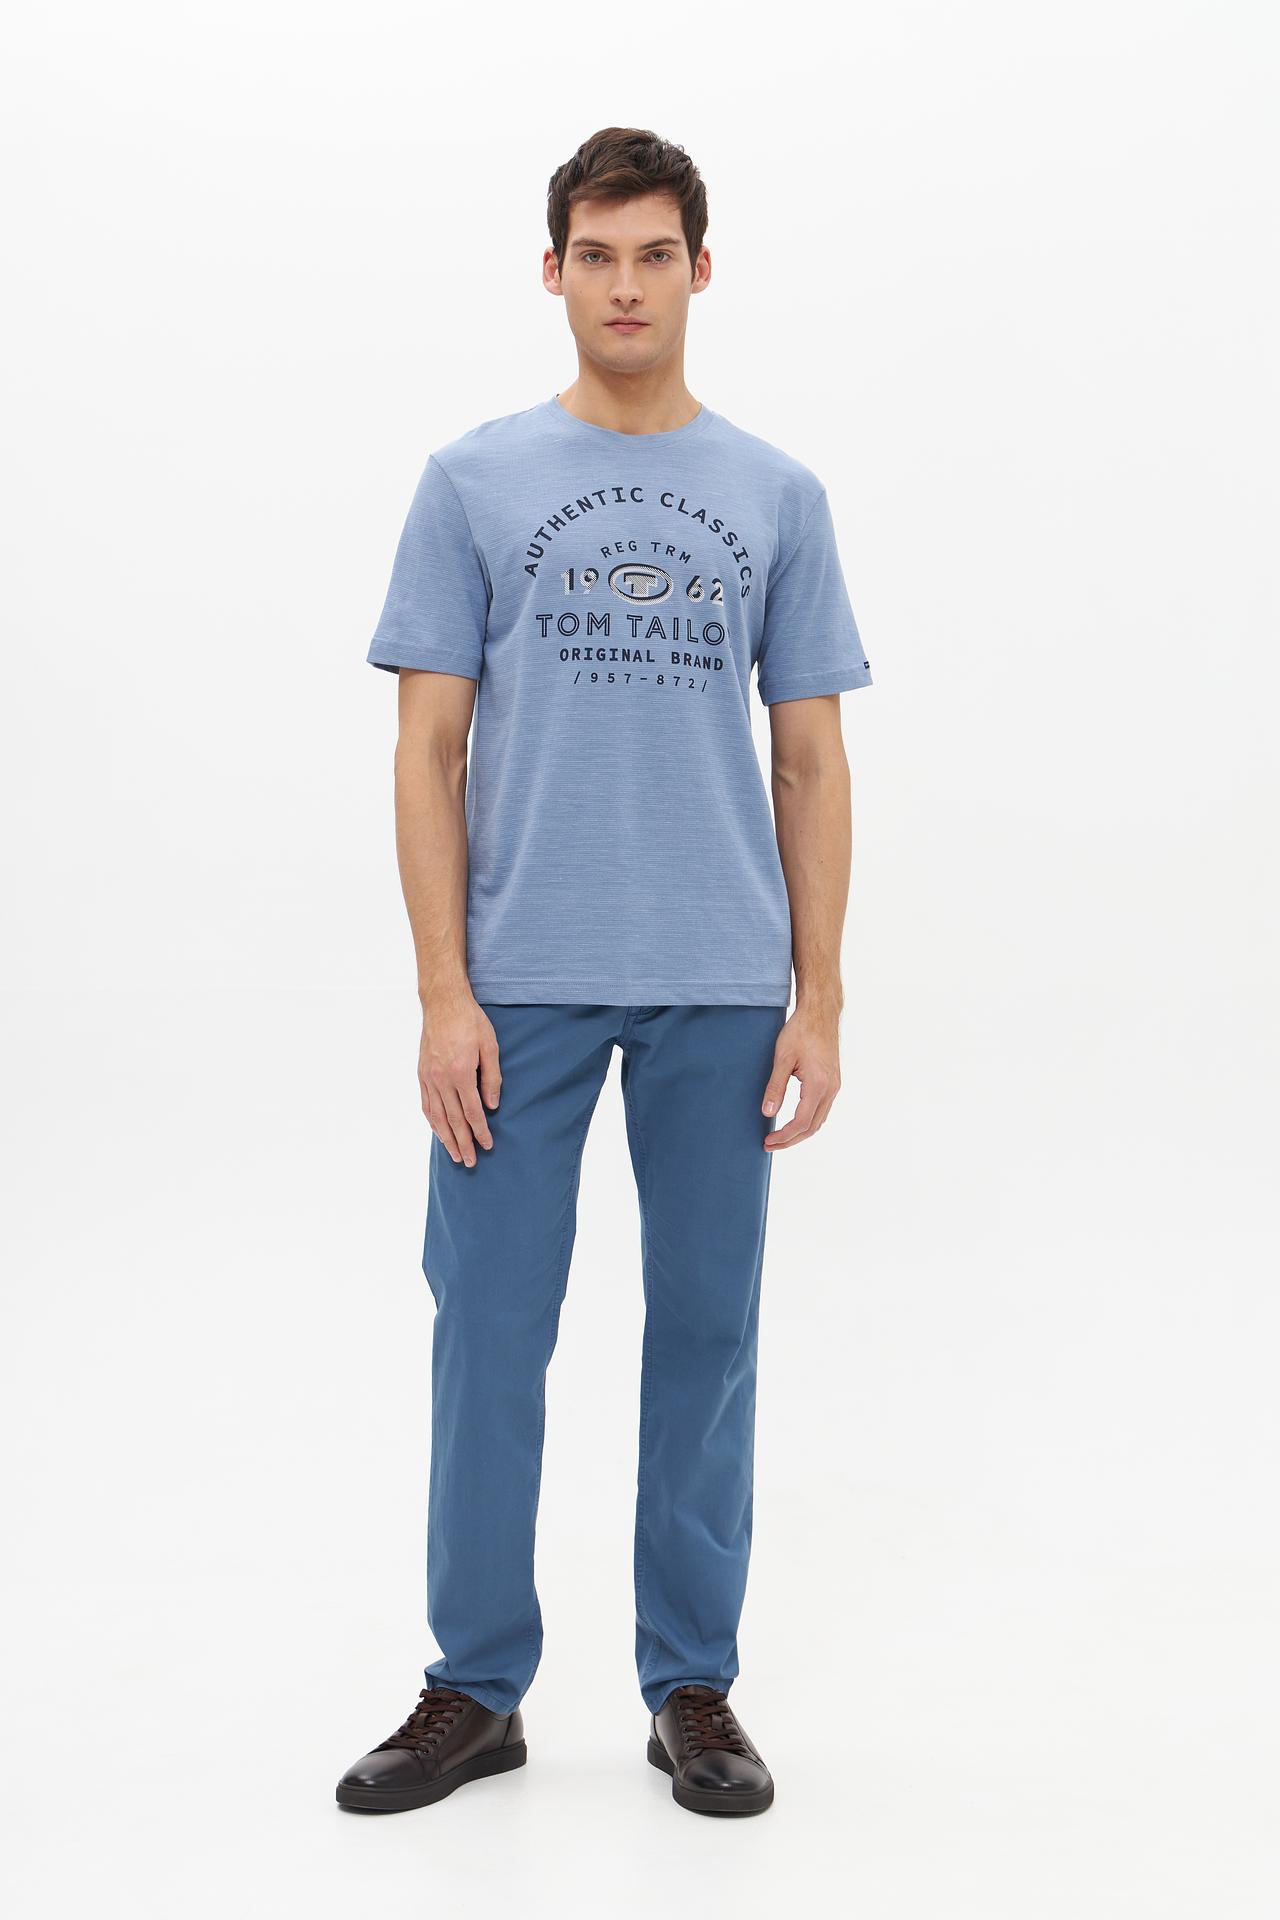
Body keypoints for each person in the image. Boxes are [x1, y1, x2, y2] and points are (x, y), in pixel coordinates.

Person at [336, 125, 873, 1821]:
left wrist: (820, 995)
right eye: (595, 255)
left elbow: (811, 760)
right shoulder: (471, 483)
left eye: (653, 256)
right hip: (523, 983)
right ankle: (474, 1686)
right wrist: (444, 992)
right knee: (490, 1330)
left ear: (700, 271)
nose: (624, 286)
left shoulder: (778, 495)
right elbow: (427, 753)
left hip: (721, 977)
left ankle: (690, 1684)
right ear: (553, 270)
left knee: (707, 1331)